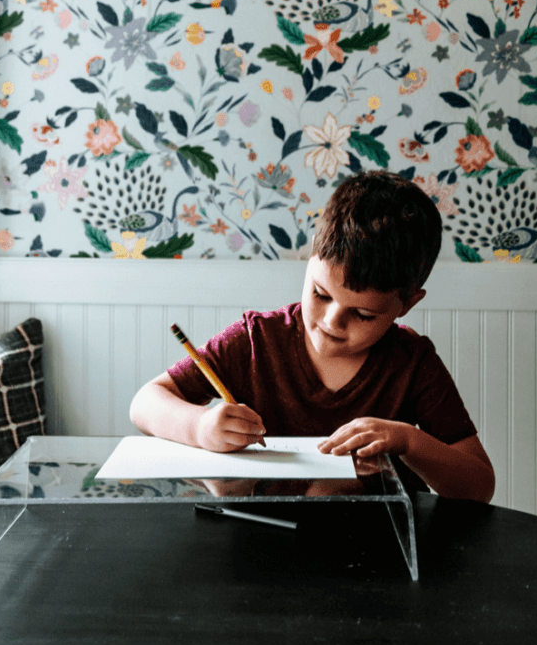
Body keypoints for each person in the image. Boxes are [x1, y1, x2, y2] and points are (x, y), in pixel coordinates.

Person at [130, 170, 495, 502]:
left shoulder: (413, 363)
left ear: (407, 304)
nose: (332, 321)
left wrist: (409, 441)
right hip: (264, 541)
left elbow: (479, 486)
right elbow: (145, 404)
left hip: (376, 551)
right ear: (310, 261)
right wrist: (200, 427)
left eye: (363, 314)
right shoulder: (256, 341)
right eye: (321, 293)